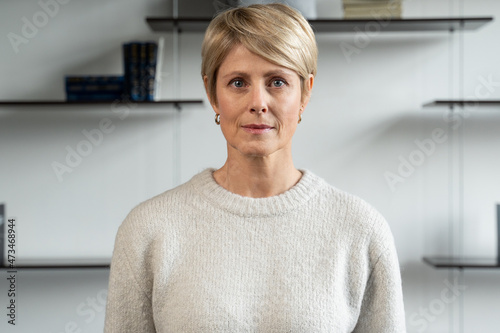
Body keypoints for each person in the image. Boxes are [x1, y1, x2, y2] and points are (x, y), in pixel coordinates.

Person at [104, 4, 406, 332]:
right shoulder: (148, 231)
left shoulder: (361, 231)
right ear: (212, 93)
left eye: (277, 81)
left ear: (305, 92)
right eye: (238, 83)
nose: (258, 102)